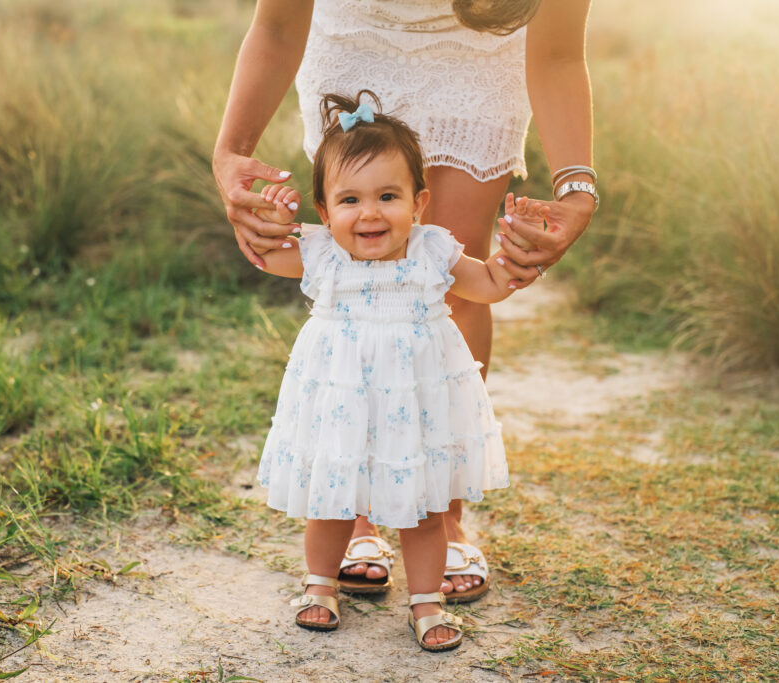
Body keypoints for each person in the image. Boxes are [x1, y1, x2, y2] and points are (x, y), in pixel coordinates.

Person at [213, 0, 596, 600]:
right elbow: (279, 22)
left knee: (449, 274)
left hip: (480, 57)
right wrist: (231, 151)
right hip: (354, 40)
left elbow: (558, 51)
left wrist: (575, 188)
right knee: (360, 242)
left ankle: (441, 510)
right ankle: (357, 510)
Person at [252, 92, 545, 651]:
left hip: (416, 402)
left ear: (419, 201)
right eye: (350, 200)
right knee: (333, 497)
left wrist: (516, 254)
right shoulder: (320, 254)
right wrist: (269, 218)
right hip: (345, 401)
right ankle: (319, 586)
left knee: (426, 506)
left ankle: (426, 601)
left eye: (389, 196)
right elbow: (265, 255)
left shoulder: (432, 250)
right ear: (323, 210)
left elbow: (485, 285)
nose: (370, 213)